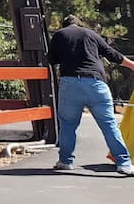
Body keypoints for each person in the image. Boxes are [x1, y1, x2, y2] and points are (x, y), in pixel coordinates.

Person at [48, 14, 134, 176]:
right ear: (79, 25)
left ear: (63, 25)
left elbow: (52, 59)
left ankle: (66, 161)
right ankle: (124, 163)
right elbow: (111, 53)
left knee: (68, 124)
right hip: (96, 83)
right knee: (109, 124)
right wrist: (131, 65)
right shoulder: (91, 34)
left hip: (70, 83)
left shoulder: (59, 35)